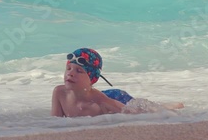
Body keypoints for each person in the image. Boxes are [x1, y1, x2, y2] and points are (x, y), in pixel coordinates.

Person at [51, 47, 183, 117]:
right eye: (68, 68)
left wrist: (163, 114)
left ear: (92, 79)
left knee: (145, 110)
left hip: (115, 96)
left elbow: (133, 116)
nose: (71, 73)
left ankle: (169, 106)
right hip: (95, 95)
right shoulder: (59, 93)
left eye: (79, 71)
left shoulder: (101, 102)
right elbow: (55, 123)